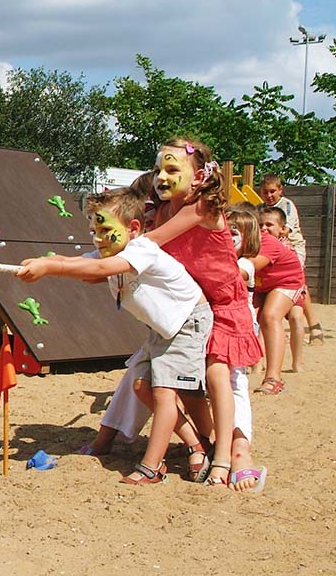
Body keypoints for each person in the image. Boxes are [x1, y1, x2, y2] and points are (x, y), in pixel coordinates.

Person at [17, 186, 213, 486]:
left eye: (104, 229)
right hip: (164, 329)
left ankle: (152, 465)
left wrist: (52, 266)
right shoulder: (111, 251)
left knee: (163, 393)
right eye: (94, 229)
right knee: (141, 386)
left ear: (133, 228)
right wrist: (51, 261)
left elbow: (99, 268)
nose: (97, 237)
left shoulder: (141, 249)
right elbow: (85, 266)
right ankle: (195, 444)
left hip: (186, 322)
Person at [145, 137, 263, 487]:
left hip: (226, 303)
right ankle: (205, 442)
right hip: (192, 305)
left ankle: (227, 454)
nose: (161, 177)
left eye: (171, 169)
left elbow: (149, 244)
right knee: (168, 380)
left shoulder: (201, 209)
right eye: (157, 170)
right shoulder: (161, 209)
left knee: (219, 374)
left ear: (198, 177)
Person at [224, 207, 267, 492]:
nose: (227, 238)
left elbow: (231, 274)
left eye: (233, 234)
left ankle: (240, 447)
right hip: (213, 327)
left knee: (236, 384)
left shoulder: (247, 263)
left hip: (236, 330)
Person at [259, 174, 324, 344]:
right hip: (272, 249)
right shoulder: (260, 208)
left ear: (280, 190)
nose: (269, 195)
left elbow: (286, 230)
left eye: (273, 191)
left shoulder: (286, 206)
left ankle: (313, 325)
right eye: (265, 192)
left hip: (292, 249)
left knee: (298, 283)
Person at [252, 205, 308, 397]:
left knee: (274, 316)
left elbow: (251, 266)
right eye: (260, 225)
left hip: (288, 281)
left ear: (283, 229)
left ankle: (275, 376)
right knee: (251, 319)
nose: (264, 229)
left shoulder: (273, 243)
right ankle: (255, 364)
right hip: (263, 284)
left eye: (269, 225)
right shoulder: (253, 239)